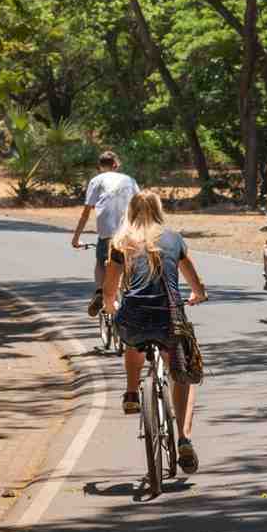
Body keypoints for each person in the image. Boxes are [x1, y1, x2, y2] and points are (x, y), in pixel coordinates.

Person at [102, 191, 208, 473]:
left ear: (131, 212)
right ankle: (184, 438)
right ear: (159, 211)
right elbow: (193, 279)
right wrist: (198, 294)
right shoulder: (174, 239)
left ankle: (131, 394)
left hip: (134, 316)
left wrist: (111, 306)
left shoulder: (121, 241)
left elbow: (110, 290)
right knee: (183, 372)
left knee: (133, 342)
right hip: (169, 316)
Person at [72, 150, 139, 316]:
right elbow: (140, 204)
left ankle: (101, 291)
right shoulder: (129, 180)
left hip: (107, 233)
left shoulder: (96, 180)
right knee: (130, 263)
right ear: (116, 165)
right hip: (129, 232)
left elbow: (86, 213)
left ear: (99, 166)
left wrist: (76, 238)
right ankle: (132, 291)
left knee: (101, 262)